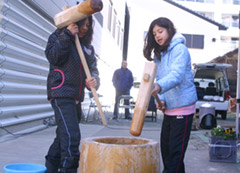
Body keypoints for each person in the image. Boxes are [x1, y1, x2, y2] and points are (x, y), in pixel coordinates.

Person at [44, 15, 100, 173]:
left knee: (62, 137)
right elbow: (53, 56)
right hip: (60, 93)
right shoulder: (58, 36)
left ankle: (50, 169)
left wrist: (94, 80)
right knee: (71, 138)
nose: (85, 28)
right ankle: (69, 169)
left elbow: (93, 70)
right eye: (82, 24)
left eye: (88, 25)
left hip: (76, 97)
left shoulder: (87, 47)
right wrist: (67, 34)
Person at [143, 17, 197, 173]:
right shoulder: (160, 54)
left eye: (160, 31)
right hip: (170, 110)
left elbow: (177, 75)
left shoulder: (180, 49)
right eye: (154, 34)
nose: (157, 36)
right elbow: (160, 78)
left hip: (183, 108)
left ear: (170, 30)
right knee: (168, 153)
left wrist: (159, 87)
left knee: (174, 155)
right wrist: (163, 100)